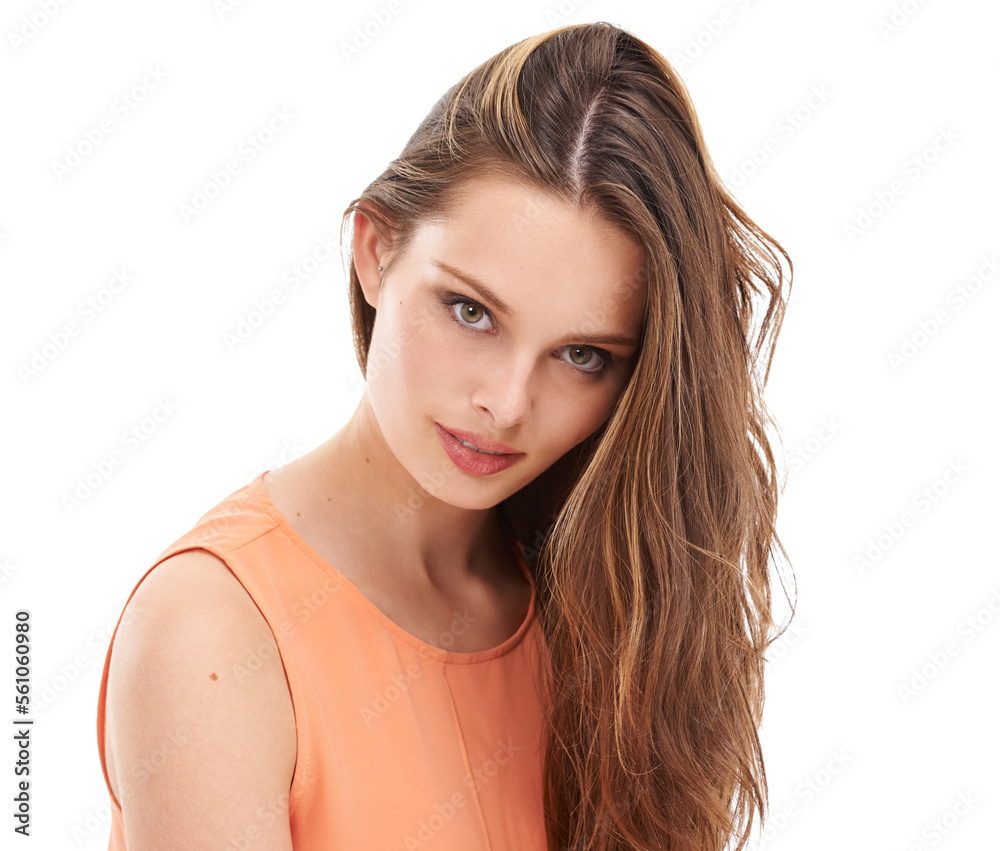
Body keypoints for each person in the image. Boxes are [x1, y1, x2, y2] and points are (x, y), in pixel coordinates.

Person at [95, 20, 793, 851]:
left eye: (582, 355)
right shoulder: (211, 633)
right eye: (471, 311)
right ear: (376, 249)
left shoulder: (609, 605)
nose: (505, 402)